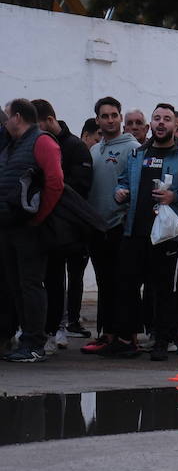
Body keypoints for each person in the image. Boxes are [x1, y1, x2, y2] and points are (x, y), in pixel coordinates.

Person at [104, 103, 178, 360]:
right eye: (157, 118)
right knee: (127, 285)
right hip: (135, 231)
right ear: (150, 124)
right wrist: (120, 192)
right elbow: (123, 181)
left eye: (167, 119)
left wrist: (176, 196)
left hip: (169, 234)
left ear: (175, 125)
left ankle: (162, 341)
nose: (161, 122)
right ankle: (126, 340)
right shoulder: (138, 154)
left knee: (165, 290)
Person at [0, 98, 65, 362]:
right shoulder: (12, 144)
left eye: (6, 116)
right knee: (16, 285)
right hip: (9, 226)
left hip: (29, 228)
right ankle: (25, 339)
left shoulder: (43, 142)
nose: (4, 122)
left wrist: (38, 217)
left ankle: (35, 343)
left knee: (30, 285)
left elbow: (55, 183)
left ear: (17, 117)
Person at [80, 96, 140, 354]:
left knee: (124, 283)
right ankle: (108, 333)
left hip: (121, 226)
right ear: (97, 120)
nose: (110, 120)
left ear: (120, 117)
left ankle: (128, 338)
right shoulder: (95, 150)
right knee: (104, 283)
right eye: (105, 116)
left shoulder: (133, 148)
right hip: (98, 227)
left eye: (114, 115)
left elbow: (137, 186)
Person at [33, 99, 94, 351]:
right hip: (45, 222)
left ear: (49, 120)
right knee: (49, 277)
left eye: (37, 125)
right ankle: (49, 326)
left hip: (67, 224)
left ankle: (59, 325)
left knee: (66, 277)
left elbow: (80, 186)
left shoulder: (75, 147)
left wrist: (51, 189)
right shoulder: (38, 143)